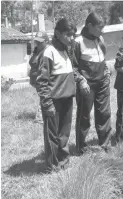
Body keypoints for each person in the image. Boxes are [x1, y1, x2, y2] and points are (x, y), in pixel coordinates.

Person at [35, 18, 76, 170]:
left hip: (67, 99)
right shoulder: (49, 52)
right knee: (52, 134)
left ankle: (63, 160)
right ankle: (52, 165)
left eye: (73, 35)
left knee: (64, 132)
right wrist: (47, 104)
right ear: (57, 34)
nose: (71, 38)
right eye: (68, 34)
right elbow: (42, 81)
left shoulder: (66, 50)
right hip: (53, 101)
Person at [72, 12, 113, 153]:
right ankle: (80, 147)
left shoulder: (99, 39)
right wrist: (81, 81)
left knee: (104, 113)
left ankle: (105, 144)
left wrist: (106, 71)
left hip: (102, 84)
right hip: (86, 86)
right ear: (89, 26)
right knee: (84, 116)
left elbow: (102, 59)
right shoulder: (77, 42)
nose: (102, 31)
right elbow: (72, 67)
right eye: (99, 27)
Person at [28, 32, 50, 124]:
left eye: (40, 42)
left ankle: (40, 118)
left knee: (44, 97)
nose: (38, 43)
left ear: (46, 41)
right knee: (42, 97)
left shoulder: (48, 51)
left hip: (43, 80)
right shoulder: (36, 50)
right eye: (36, 41)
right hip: (35, 80)